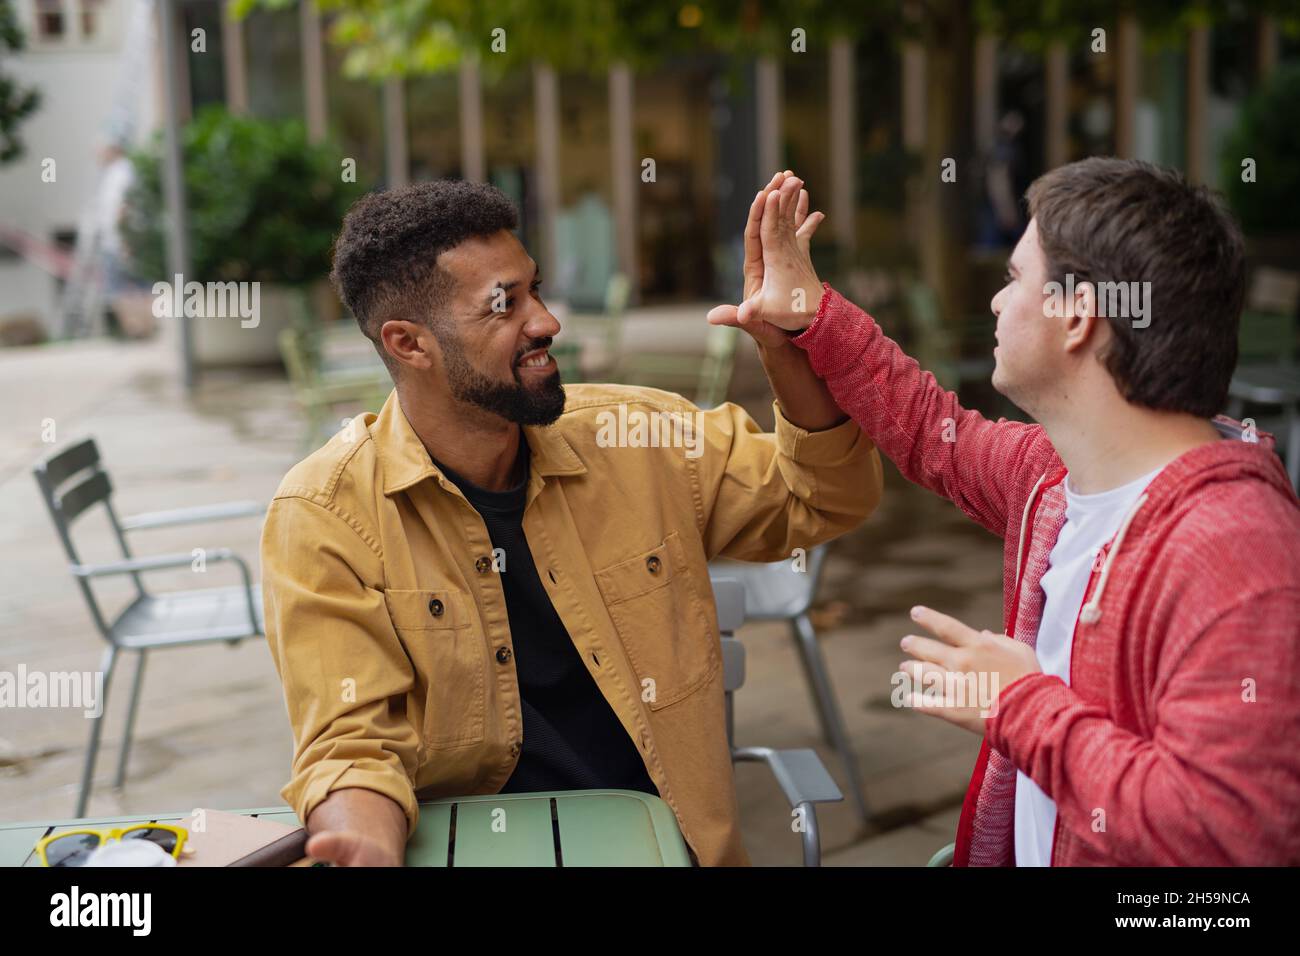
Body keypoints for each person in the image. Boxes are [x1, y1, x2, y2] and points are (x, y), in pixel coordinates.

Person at [260, 176, 884, 866]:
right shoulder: (324, 515)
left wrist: (785, 347)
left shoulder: (636, 436)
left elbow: (823, 498)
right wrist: (364, 837)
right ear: (409, 345)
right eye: (504, 305)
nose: (546, 321)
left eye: (535, 289)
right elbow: (350, 741)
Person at [710, 159, 1300, 866]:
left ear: (1077, 315)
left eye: (1015, 279)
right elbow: (932, 430)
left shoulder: (1236, 553)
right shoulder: (1054, 477)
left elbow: (1227, 838)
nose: (996, 302)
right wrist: (811, 312)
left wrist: (1020, 704)